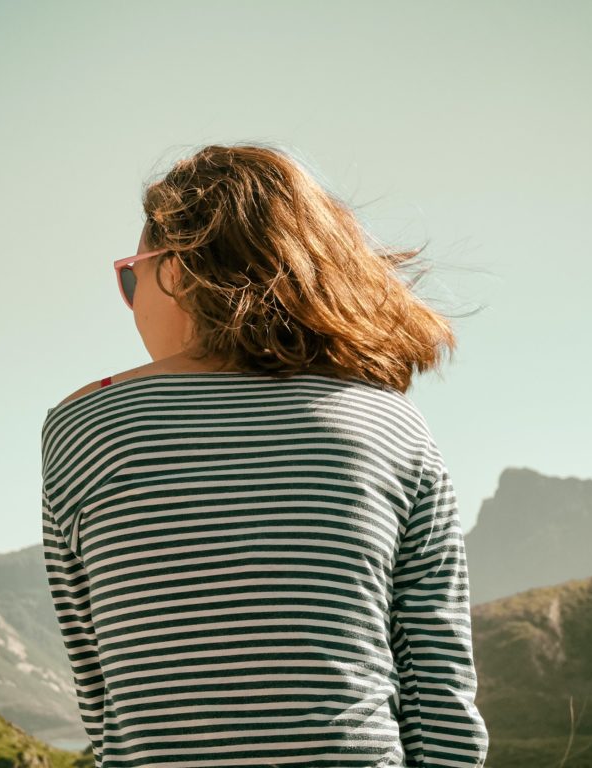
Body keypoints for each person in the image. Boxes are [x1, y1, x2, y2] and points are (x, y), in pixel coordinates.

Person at [41, 143, 489, 768]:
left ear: (177, 270)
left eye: (129, 275)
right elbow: (436, 683)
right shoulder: (391, 424)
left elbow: (101, 690)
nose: (128, 299)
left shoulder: (84, 427)